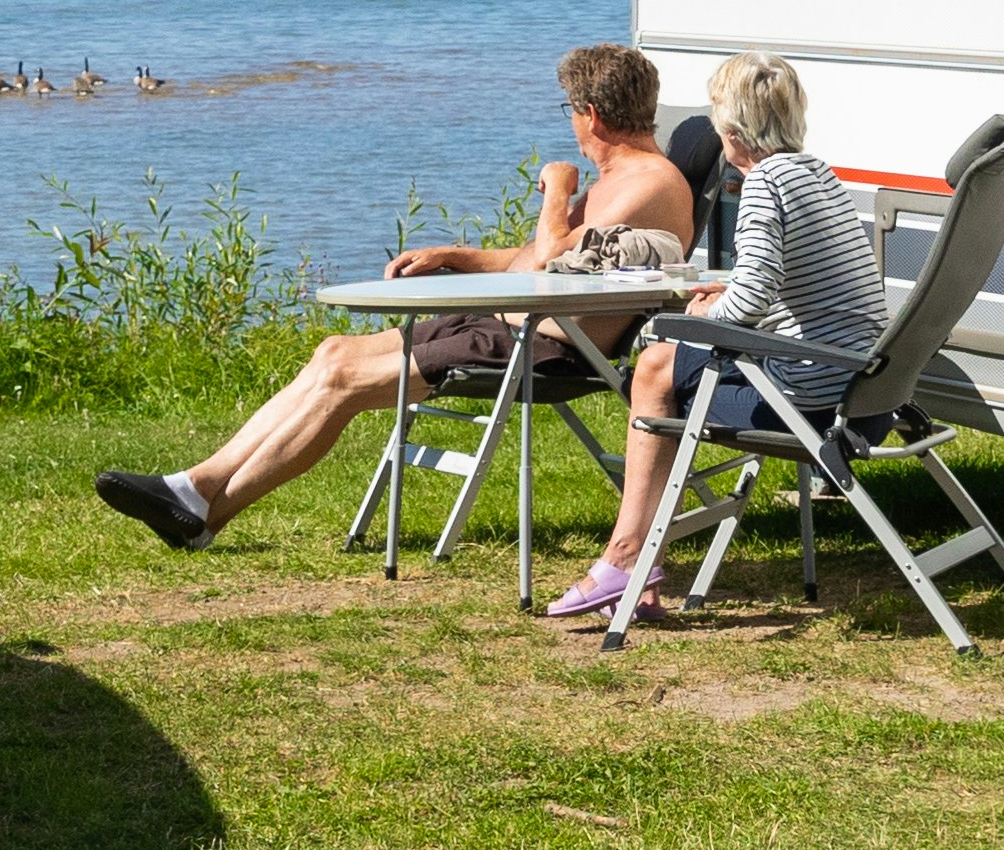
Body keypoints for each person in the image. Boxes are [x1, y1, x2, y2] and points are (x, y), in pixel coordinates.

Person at [95, 43, 694, 552]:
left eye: (569, 110)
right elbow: (528, 260)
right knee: (334, 353)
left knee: (346, 387)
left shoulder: (647, 182)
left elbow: (549, 254)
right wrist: (455, 256)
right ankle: (192, 488)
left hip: (543, 347)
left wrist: (557, 189)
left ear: (589, 113)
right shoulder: (618, 181)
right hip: (503, 324)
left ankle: (203, 514)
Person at [552, 49, 887, 630]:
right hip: (862, 384)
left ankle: (628, 557)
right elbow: (789, 283)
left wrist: (704, 308)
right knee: (666, 367)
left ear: (730, 130)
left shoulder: (762, 186)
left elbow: (751, 301)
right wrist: (725, 296)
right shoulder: (817, 174)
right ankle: (637, 559)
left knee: (654, 366)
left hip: (808, 398)